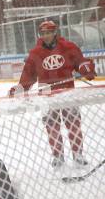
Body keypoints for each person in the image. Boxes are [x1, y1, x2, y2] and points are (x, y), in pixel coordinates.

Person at [9, 20, 96, 168]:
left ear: (55, 32)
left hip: (68, 93)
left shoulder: (69, 47)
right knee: (52, 127)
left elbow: (81, 62)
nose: (46, 36)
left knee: (73, 124)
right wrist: (19, 89)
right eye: (43, 33)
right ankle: (58, 156)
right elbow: (28, 76)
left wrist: (86, 69)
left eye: (49, 32)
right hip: (47, 95)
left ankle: (78, 154)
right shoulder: (35, 53)